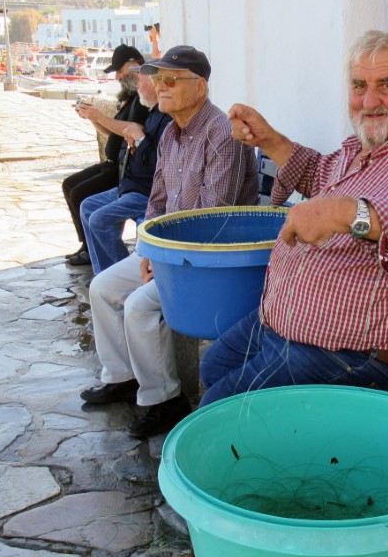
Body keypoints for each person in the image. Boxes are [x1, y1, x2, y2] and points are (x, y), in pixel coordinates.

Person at [198, 29, 388, 405]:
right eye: (359, 85)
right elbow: (317, 174)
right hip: (286, 324)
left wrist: (346, 212)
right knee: (212, 368)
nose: (369, 100)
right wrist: (271, 140)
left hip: (354, 354)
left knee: (218, 410)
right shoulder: (358, 149)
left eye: (386, 85)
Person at [81, 45, 259, 438]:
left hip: (211, 263)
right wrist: (147, 251)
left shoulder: (220, 134)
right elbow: (157, 201)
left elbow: (213, 219)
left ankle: (164, 400)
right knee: (102, 288)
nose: (160, 87)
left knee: (138, 306)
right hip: (170, 253)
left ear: (201, 87)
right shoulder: (170, 134)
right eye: (158, 79)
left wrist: (161, 258)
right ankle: (122, 375)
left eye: (171, 80)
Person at [62, 45, 148, 266]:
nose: (118, 77)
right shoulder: (130, 96)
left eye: (120, 71)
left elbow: (133, 128)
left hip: (127, 174)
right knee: (71, 186)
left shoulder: (143, 100)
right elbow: (114, 131)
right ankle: (91, 250)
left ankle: (115, 269)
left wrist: (100, 115)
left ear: (135, 64)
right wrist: (92, 117)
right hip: (118, 167)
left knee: (83, 196)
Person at [78, 70, 171, 274]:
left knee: (99, 219)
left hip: (145, 192)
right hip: (130, 185)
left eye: (141, 81)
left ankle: (121, 275)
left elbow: (161, 164)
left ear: (155, 85)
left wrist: (139, 139)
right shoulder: (153, 112)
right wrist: (136, 141)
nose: (136, 85)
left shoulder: (167, 119)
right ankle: (102, 274)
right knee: (87, 206)